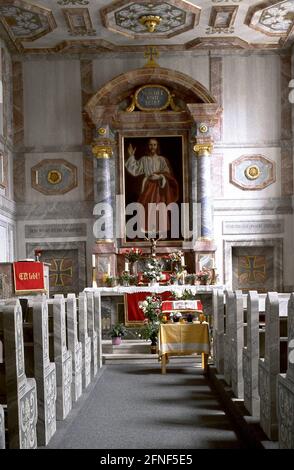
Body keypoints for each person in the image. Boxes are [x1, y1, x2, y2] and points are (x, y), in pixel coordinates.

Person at [125, 138, 179, 235]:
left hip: (159, 188)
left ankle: (160, 232)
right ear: (148, 146)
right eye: (150, 145)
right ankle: (148, 232)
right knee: (146, 207)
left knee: (159, 208)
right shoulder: (144, 159)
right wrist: (131, 156)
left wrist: (160, 176)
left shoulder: (162, 160)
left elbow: (168, 174)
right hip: (148, 187)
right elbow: (135, 170)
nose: (152, 147)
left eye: (154, 145)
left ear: (157, 146)